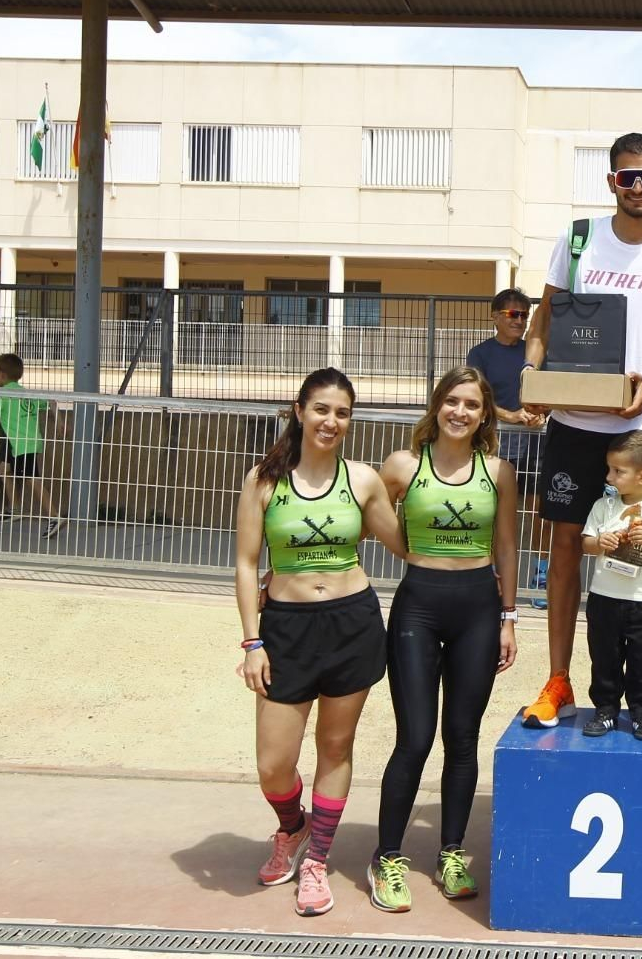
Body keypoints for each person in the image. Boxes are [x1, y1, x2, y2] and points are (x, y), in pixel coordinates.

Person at [519, 131, 642, 728]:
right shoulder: (579, 242)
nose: (637, 187)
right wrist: (535, 380)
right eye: (627, 177)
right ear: (611, 182)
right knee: (568, 547)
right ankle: (557, 680)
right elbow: (543, 322)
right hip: (576, 424)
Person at [233, 367, 403, 917]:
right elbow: (244, 563)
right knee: (272, 763)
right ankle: (292, 827)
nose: (332, 421)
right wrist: (252, 643)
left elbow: (405, 543)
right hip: (286, 629)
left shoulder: (363, 480)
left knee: (335, 748)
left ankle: (316, 861)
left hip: (352, 623)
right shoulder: (263, 480)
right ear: (300, 410)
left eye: (343, 413)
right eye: (323, 409)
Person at [370, 366, 520, 913]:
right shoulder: (402, 466)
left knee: (462, 737)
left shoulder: (499, 471)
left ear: (485, 415)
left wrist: (509, 617)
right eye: (452, 401)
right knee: (414, 737)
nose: (460, 412)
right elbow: (361, 518)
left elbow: (507, 548)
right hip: (419, 607)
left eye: (472, 405)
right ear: (437, 405)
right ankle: (387, 856)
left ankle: (451, 851)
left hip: (479, 608)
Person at [579, 430, 642, 738]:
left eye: (618, 471)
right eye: (610, 469)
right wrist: (600, 542)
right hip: (604, 597)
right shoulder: (603, 507)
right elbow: (585, 543)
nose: (609, 477)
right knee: (604, 657)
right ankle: (605, 709)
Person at [466, 288, 548, 592]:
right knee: (493, 509)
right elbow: (476, 397)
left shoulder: (535, 353)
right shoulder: (480, 353)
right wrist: (511, 417)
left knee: (541, 509)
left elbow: (548, 393)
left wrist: (539, 412)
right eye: (513, 314)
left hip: (535, 443)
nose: (520, 320)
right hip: (495, 443)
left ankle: (541, 575)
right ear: (495, 317)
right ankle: (489, 574)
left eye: (524, 315)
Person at [0, 353, 64, 539]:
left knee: (32, 480)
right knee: (3, 468)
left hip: (21, 444)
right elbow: (51, 401)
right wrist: (60, 421)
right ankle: (15, 508)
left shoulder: (1, 394)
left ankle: (54, 516)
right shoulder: (26, 393)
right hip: (26, 442)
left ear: (1, 374)